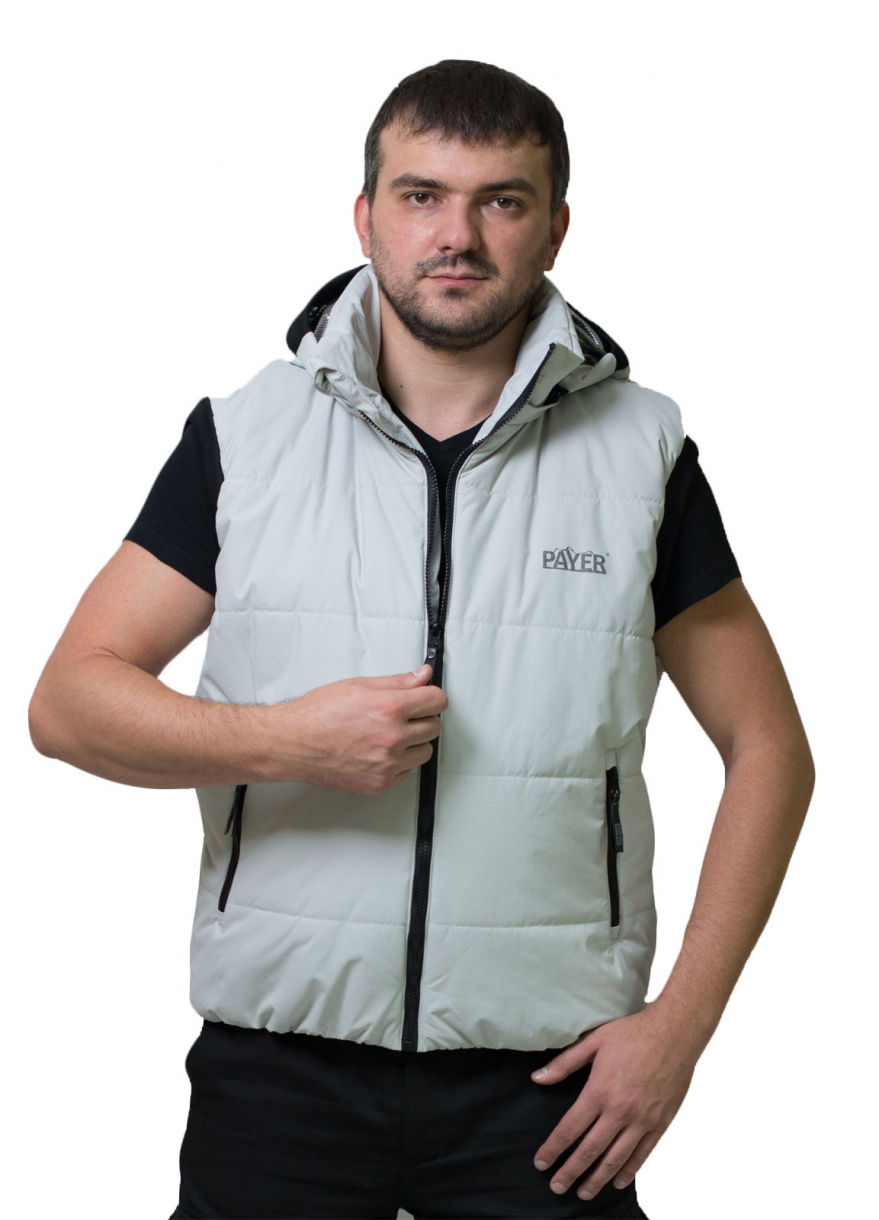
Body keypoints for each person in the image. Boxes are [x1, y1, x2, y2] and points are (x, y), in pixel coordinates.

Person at [28, 59, 814, 1220]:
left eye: (502, 200)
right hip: (278, 1077)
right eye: (422, 195)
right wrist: (288, 740)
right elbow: (69, 702)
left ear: (555, 227)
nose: (458, 234)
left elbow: (771, 748)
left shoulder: (641, 455)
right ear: (365, 217)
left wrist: (680, 1028)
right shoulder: (246, 438)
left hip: (552, 1088)